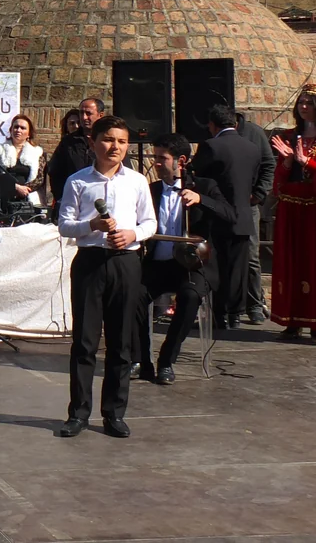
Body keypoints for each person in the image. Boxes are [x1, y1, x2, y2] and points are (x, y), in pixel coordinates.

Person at [58, 115, 156, 439]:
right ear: (93, 142)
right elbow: (64, 225)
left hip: (125, 262)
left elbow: (150, 223)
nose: (116, 147)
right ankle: (78, 413)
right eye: (109, 139)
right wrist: (92, 225)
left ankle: (114, 412)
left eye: (122, 141)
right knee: (85, 342)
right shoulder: (78, 181)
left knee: (121, 341)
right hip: (90, 262)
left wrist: (131, 234)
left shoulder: (137, 181)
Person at [131, 134, 233, 385]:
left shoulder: (205, 186)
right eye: (155, 157)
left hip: (193, 265)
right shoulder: (151, 190)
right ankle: (141, 360)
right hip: (158, 263)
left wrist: (201, 200)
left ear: (181, 161)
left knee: (189, 296)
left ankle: (167, 359)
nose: (156, 163)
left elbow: (230, 214)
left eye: (162, 158)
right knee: (133, 296)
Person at [269, 85, 316, 343]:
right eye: (301, 102)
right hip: (291, 209)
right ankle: (291, 322)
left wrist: (306, 162)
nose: (303, 107)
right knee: (291, 264)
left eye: (309, 103)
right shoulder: (289, 136)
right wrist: (288, 162)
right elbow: (278, 184)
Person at [190, 104, 262, 329]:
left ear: (212, 125)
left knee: (217, 267)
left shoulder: (211, 146)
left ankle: (219, 313)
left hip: (217, 215)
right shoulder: (252, 148)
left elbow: (199, 175)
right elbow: (254, 179)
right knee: (238, 269)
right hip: (243, 217)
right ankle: (236, 315)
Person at [235, 111, 277, 324]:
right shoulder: (212, 132)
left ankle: (254, 305)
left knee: (251, 256)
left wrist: (259, 193)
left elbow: (269, 164)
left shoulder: (254, 133)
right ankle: (230, 308)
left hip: (248, 204)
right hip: (222, 203)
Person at [48, 97, 105, 217]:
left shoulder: (108, 141)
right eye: (81, 113)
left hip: (101, 204)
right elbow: (55, 171)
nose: (84, 117)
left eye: (88, 113)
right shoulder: (68, 142)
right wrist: (62, 197)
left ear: (100, 115)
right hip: (73, 205)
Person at [0, 114, 47, 206]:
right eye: (16, 127)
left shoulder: (37, 152)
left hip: (29, 199)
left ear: (29, 133)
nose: (18, 130)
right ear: (11, 130)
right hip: (4, 198)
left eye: (23, 128)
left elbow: (40, 178)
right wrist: (15, 188)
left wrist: (24, 190)